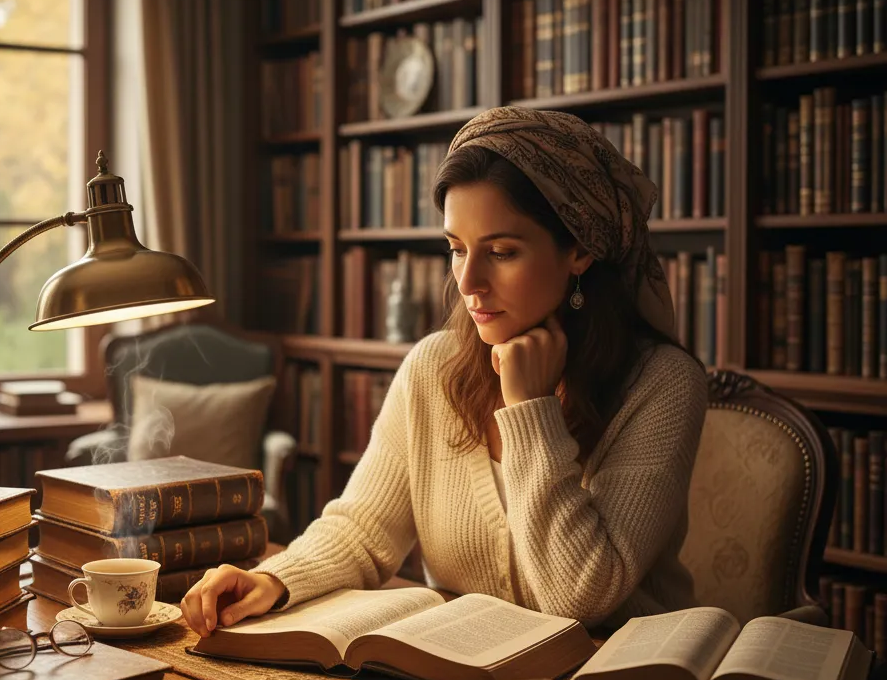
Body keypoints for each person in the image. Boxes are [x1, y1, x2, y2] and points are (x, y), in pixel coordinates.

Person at [181, 107, 709, 637]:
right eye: (456, 249)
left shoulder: (662, 385)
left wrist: (530, 409)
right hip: (466, 677)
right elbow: (363, 529)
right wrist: (274, 579)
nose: (469, 281)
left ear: (580, 250)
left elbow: (580, 597)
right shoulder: (434, 367)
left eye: (501, 252)